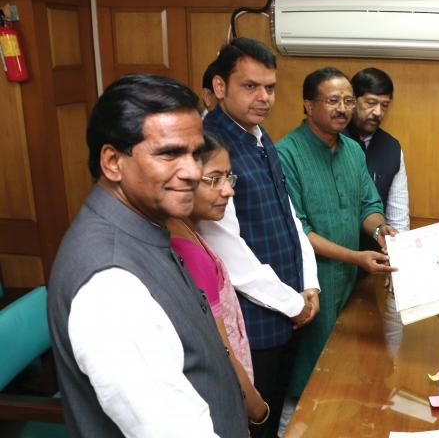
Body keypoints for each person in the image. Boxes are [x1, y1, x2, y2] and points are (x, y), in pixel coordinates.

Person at [47, 73, 247, 437]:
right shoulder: (109, 287)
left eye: (195, 153)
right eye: (169, 153)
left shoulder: (147, 227)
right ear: (112, 162)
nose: (192, 172)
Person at [197, 37, 319, 438]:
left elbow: (290, 216)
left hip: (287, 308)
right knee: (255, 421)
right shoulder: (210, 145)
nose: (264, 97)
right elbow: (225, 247)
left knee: (277, 406)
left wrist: (309, 284)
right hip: (253, 319)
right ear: (220, 88)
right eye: (250, 86)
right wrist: (290, 302)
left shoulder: (261, 136)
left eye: (270, 87)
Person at [275, 66, 398, 399]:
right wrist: (356, 257)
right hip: (311, 281)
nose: (342, 108)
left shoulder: (353, 150)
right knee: (311, 375)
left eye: (347, 100)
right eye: (332, 100)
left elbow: (368, 206)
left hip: (352, 279)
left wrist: (381, 230)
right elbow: (300, 231)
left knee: (349, 367)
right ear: (308, 105)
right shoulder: (285, 154)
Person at [167, 132, 269, 426]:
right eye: (213, 179)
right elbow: (221, 350)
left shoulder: (185, 230)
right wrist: (256, 407)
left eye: (228, 177)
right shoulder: (189, 252)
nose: (228, 191)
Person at [343, 67, 410, 247]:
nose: (378, 112)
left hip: (374, 254)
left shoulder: (392, 148)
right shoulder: (333, 140)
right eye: (371, 103)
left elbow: (398, 215)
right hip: (334, 252)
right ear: (352, 101)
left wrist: (399, 256)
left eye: (384, 105)